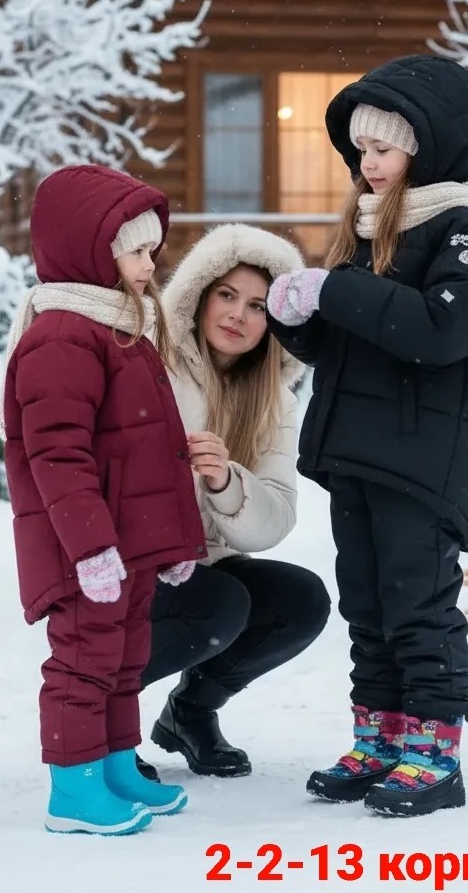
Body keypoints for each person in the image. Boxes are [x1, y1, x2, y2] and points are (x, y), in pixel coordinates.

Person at [265, 55, 468, 818]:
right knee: (367, 604)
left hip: (422, 463)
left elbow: (438, 332)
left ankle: (434, 750)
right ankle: (380, 735)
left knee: (417, 603)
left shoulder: (463, 238)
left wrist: (337, 289)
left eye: (384, 147)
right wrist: (298, 317)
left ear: (429, 148)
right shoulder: (370, 232)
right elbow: (360, 347)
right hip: (362, 456)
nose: (367, 163)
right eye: (361, 150)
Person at [0, 164, 206, 836]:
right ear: (93, 251)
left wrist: (170, 544)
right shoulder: (62, 335)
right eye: (138, 251)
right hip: (90, 546)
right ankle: (74, 787)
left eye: (152, 250)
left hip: (131, 542)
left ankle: (115, 765)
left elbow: (152, 450)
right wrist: (89, 546)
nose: (151, 265)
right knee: (84, 662)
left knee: (123, 661)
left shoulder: (118, 328)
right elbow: (56, 454)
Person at [137, 223, 331, 780]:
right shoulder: (151, 366)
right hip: (133, 561)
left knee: (301, 599)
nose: (238, 315)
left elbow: (275, 519)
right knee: (219, 605)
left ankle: (190, 713)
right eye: (226, 295)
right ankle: (105, 718)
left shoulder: (272, 399)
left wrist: (227, 483)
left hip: (203, 562)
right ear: (199, 294)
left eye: (256, 305)